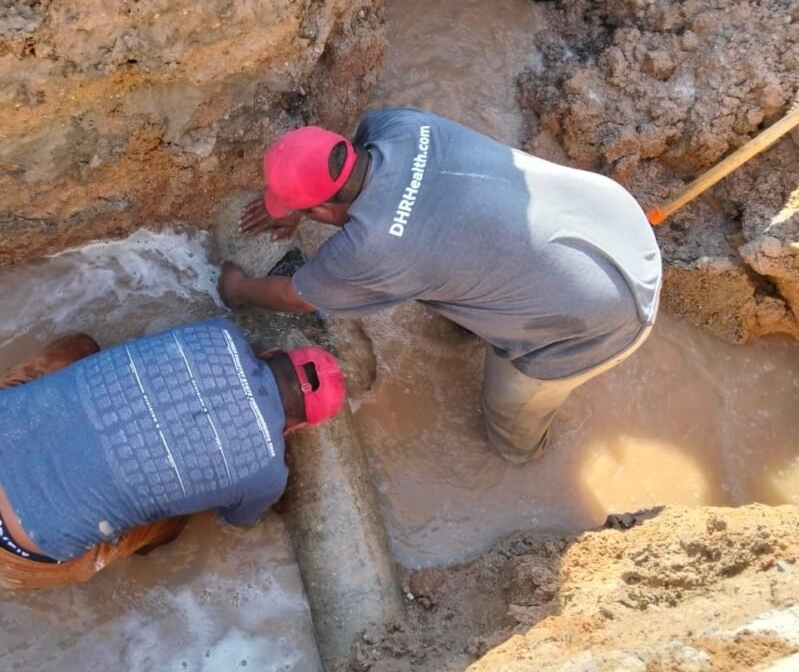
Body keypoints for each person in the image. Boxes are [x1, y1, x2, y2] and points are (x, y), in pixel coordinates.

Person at [219, 109, 662, 466]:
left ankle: (530, 464)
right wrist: (300, 205)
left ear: (320, 209)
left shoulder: (373, 248)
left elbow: (296, 297)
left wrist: (239, 289)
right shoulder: (398, 125)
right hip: (609, 216)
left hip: (603, 317)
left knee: (510, 420)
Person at [0, 318, 346, 592]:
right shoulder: (268, 474)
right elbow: (237, 522)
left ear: (270, 352)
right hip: (15, 548)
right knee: (172, 524)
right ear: (297, 427)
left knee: (80, 347)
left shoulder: (221, 331)